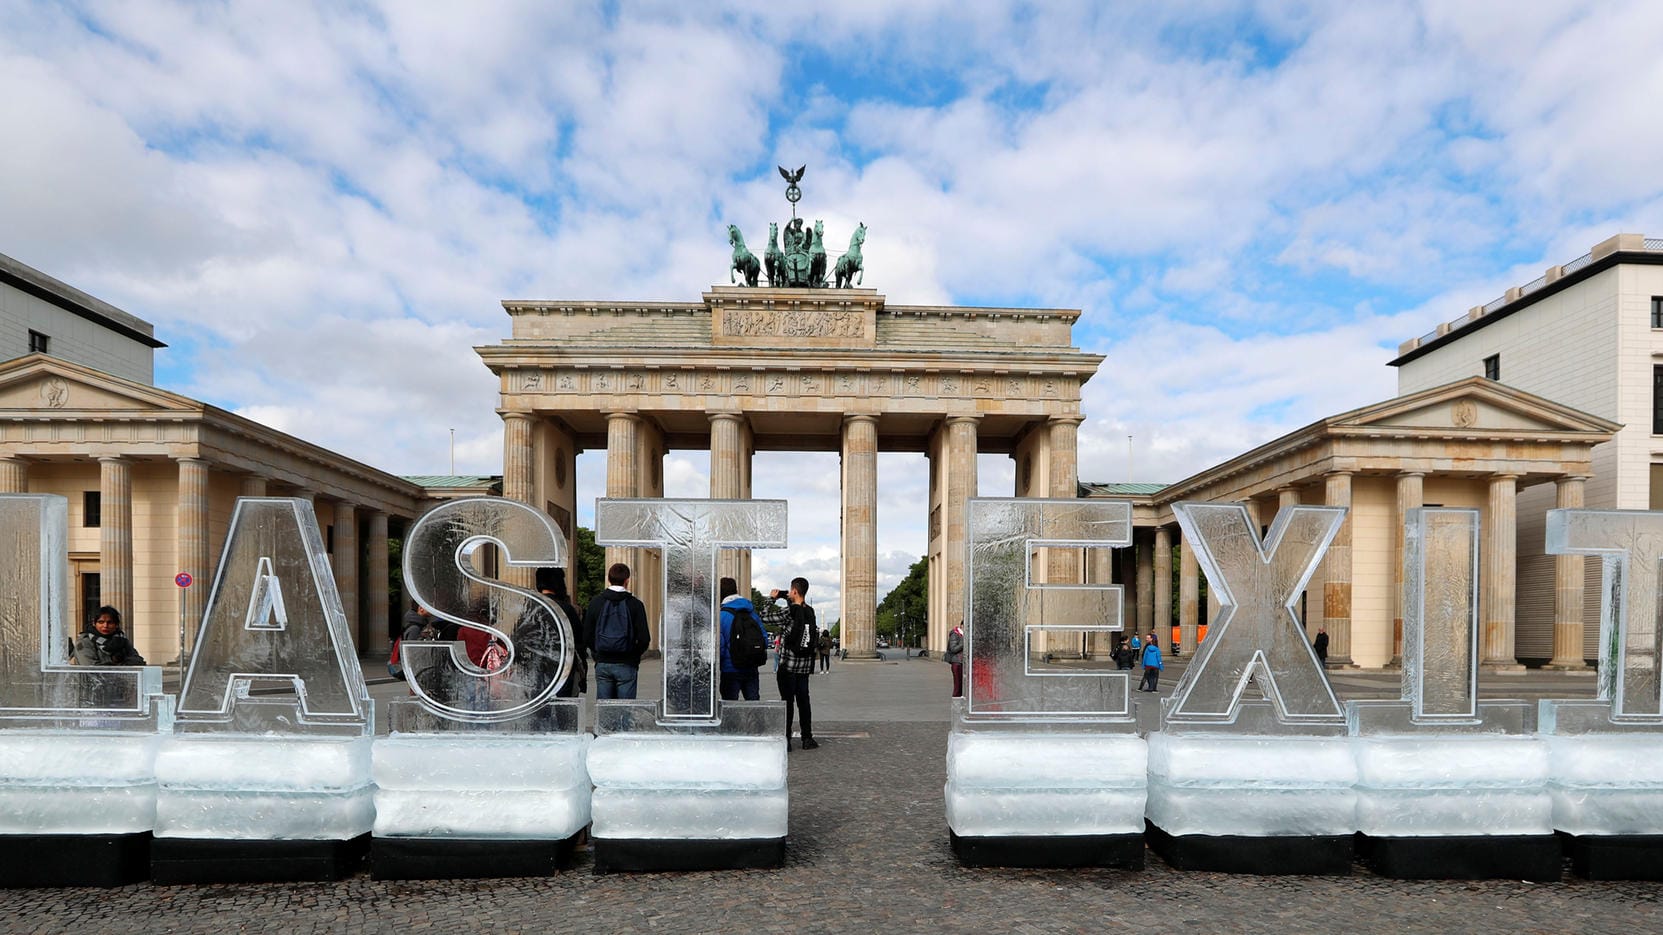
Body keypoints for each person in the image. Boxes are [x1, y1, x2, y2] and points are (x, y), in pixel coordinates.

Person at [759, 576, 818, 749]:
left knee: (787, 702)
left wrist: (771, 599)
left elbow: (764, 617)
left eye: (790, 591)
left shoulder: (788, 612)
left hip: (788, 666)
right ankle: (807, 738)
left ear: (794, 591)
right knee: (804, 702)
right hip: (805, 666)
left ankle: (787, 740)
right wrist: (787, 599)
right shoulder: (810, 611)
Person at [582, 562, 651, 699]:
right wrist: (633, 656)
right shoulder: (636, 605)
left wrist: (598, 652)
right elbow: (644, 638)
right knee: (624, 711)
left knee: (604, 711)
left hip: (603, 663)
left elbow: (586, 635)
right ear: (627, 581)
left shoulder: (596, 602)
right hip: (627, 663)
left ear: (608, 579)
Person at [537, 566, 587, 698]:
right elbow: (579, 642)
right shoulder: (567, 609)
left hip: (538, 670)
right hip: (564, 669)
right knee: (564, 711)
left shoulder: (532, 608)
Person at [718, 577, 763, 701]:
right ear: (735, 590)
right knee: (753, 705)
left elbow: (720, 646)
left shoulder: (721, 615)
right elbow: (763, 637)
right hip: (751, 666)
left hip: (730, 668)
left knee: (729, 706)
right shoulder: (751, 612)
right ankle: (753, 721)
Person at [72, 606, 145, 666]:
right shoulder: (85, 641)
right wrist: (115, 661)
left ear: (116, 625)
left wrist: (121, 661)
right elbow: (91, 668)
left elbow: (139, 661)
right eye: (101, 622)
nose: (105, 626)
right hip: (92, 683)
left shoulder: (122, 640)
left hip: (119, 682)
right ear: (94, 623)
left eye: (110, 622)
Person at [944, 620, 965, 697]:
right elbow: (953, 649)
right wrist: (963, 643)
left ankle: (960, 702)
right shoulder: (955, 634)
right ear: (962, 626)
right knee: (958, 685)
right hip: (957, 662)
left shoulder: (963, 635)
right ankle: (956, 702)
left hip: (963, 662)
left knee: (963, 685)